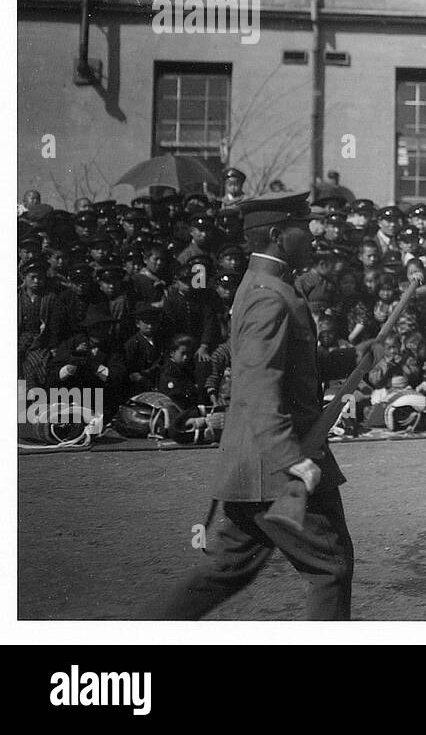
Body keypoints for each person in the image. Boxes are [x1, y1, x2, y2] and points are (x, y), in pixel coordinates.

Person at [149, 192, 356, 620]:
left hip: (250, 467)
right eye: (303, 224)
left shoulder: (263, 285)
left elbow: (284, 362)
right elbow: (261, 385)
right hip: (280, 466)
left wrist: (349, 358)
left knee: (226, 568)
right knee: (329, 568)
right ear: (280, 235)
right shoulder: (271, 296)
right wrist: (291, 461)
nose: (312, 232)